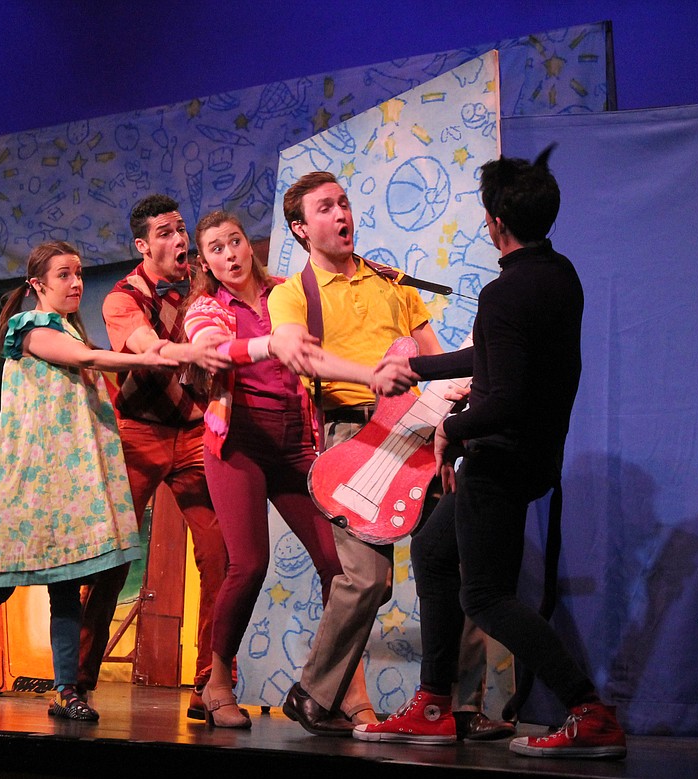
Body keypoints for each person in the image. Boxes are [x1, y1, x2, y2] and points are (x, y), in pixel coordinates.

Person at [356, 146, 627, 759]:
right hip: (531, 455)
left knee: (485, 596)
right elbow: (496, 357)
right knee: (431, 546)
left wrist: (453, 431)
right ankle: (432, 705)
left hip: (501, 457)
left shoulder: (506, 294)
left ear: (494, 222)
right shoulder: (558, 275)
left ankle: (588, 710)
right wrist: (415, 365)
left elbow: (500, 396)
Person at [0, 240, 177, 722]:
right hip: (25, 480)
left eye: (79, 274)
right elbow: (89, 360)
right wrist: (152, 358)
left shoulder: (68, 331)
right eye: (64, 275)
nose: (75, 283)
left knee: (66, 587)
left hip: (60, 483)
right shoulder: (31, 329)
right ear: (37, 285)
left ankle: (67, 690)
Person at [267, 171, 443, 736]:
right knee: (368, 579)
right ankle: (316, 692)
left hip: (419, 436)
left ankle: (457, 704)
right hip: (355, 440)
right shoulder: (294, 294)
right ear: (300, 228)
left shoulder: (393, 283)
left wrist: (452, 413)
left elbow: (435, 359)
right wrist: (374, 377)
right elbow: (304, 360)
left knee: (455, 564)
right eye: (325, 207)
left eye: (343, 202)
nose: (341, 213)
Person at [180, 211, 343, 728]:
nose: (229, 253)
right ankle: (217, 681)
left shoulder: (286, 294)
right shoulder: (206, 305)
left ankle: (334, 687)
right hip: (239, 446)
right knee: (248, 564)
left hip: (296, 444)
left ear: (249, 246)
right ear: (204, 261)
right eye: (216, 248)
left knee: (340, 569)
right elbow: (211, 349)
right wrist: (266, 345)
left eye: (235, 242)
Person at [78, 194, 230, 717]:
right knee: (112, 560)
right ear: (143, 245)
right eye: (165, 233)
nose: (179, 240)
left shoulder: (204, 288)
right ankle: (76, 682)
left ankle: (209, 688)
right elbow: (147, 347)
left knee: (220, 556)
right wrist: (189, 351)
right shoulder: (122, 298)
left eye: (181, 229)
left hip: (191, 435)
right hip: (137, 434)